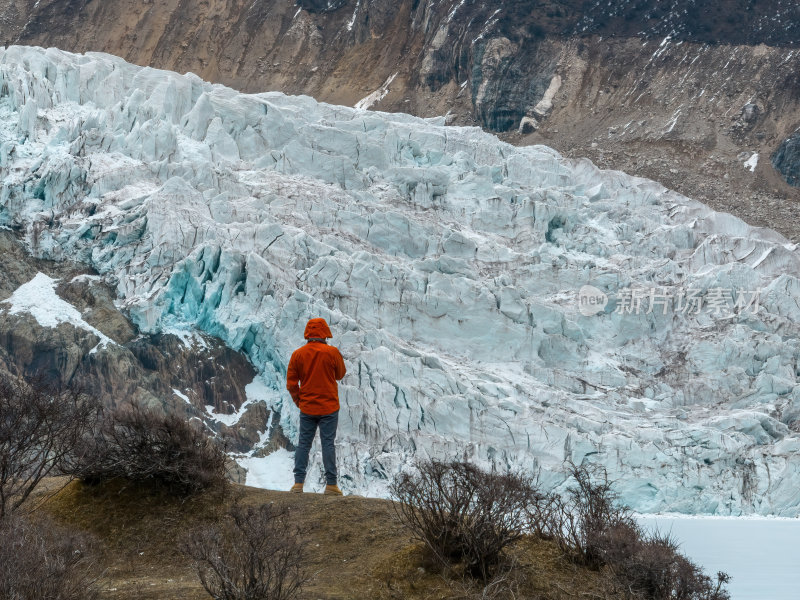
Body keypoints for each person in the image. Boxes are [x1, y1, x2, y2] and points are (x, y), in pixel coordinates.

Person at [286, 317, 347, 495]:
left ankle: (298, 484)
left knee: (303, 444)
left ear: (308, 333)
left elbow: (291, 384)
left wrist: (300, 401)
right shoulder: (332, 352)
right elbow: (340, 374)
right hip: (329, 407)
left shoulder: (298, 354)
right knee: (328, 443)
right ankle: (331, 485)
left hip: (307, 408)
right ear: (325, 333)